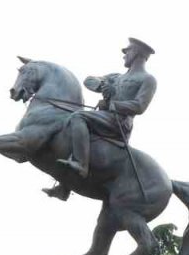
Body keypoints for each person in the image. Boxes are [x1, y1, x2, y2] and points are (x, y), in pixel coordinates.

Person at [49, 37, 157, 196]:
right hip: (104, 117)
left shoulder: (147, 79)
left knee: (78, 117)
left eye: (127, 51)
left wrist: (113, 104)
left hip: (120, 122)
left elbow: (140, 106)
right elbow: (88, 80)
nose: (124, 55)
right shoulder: (116, 77)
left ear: (136, 53)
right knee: (75, 131)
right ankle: (65, 185)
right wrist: (102, 85)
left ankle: (81, 164)